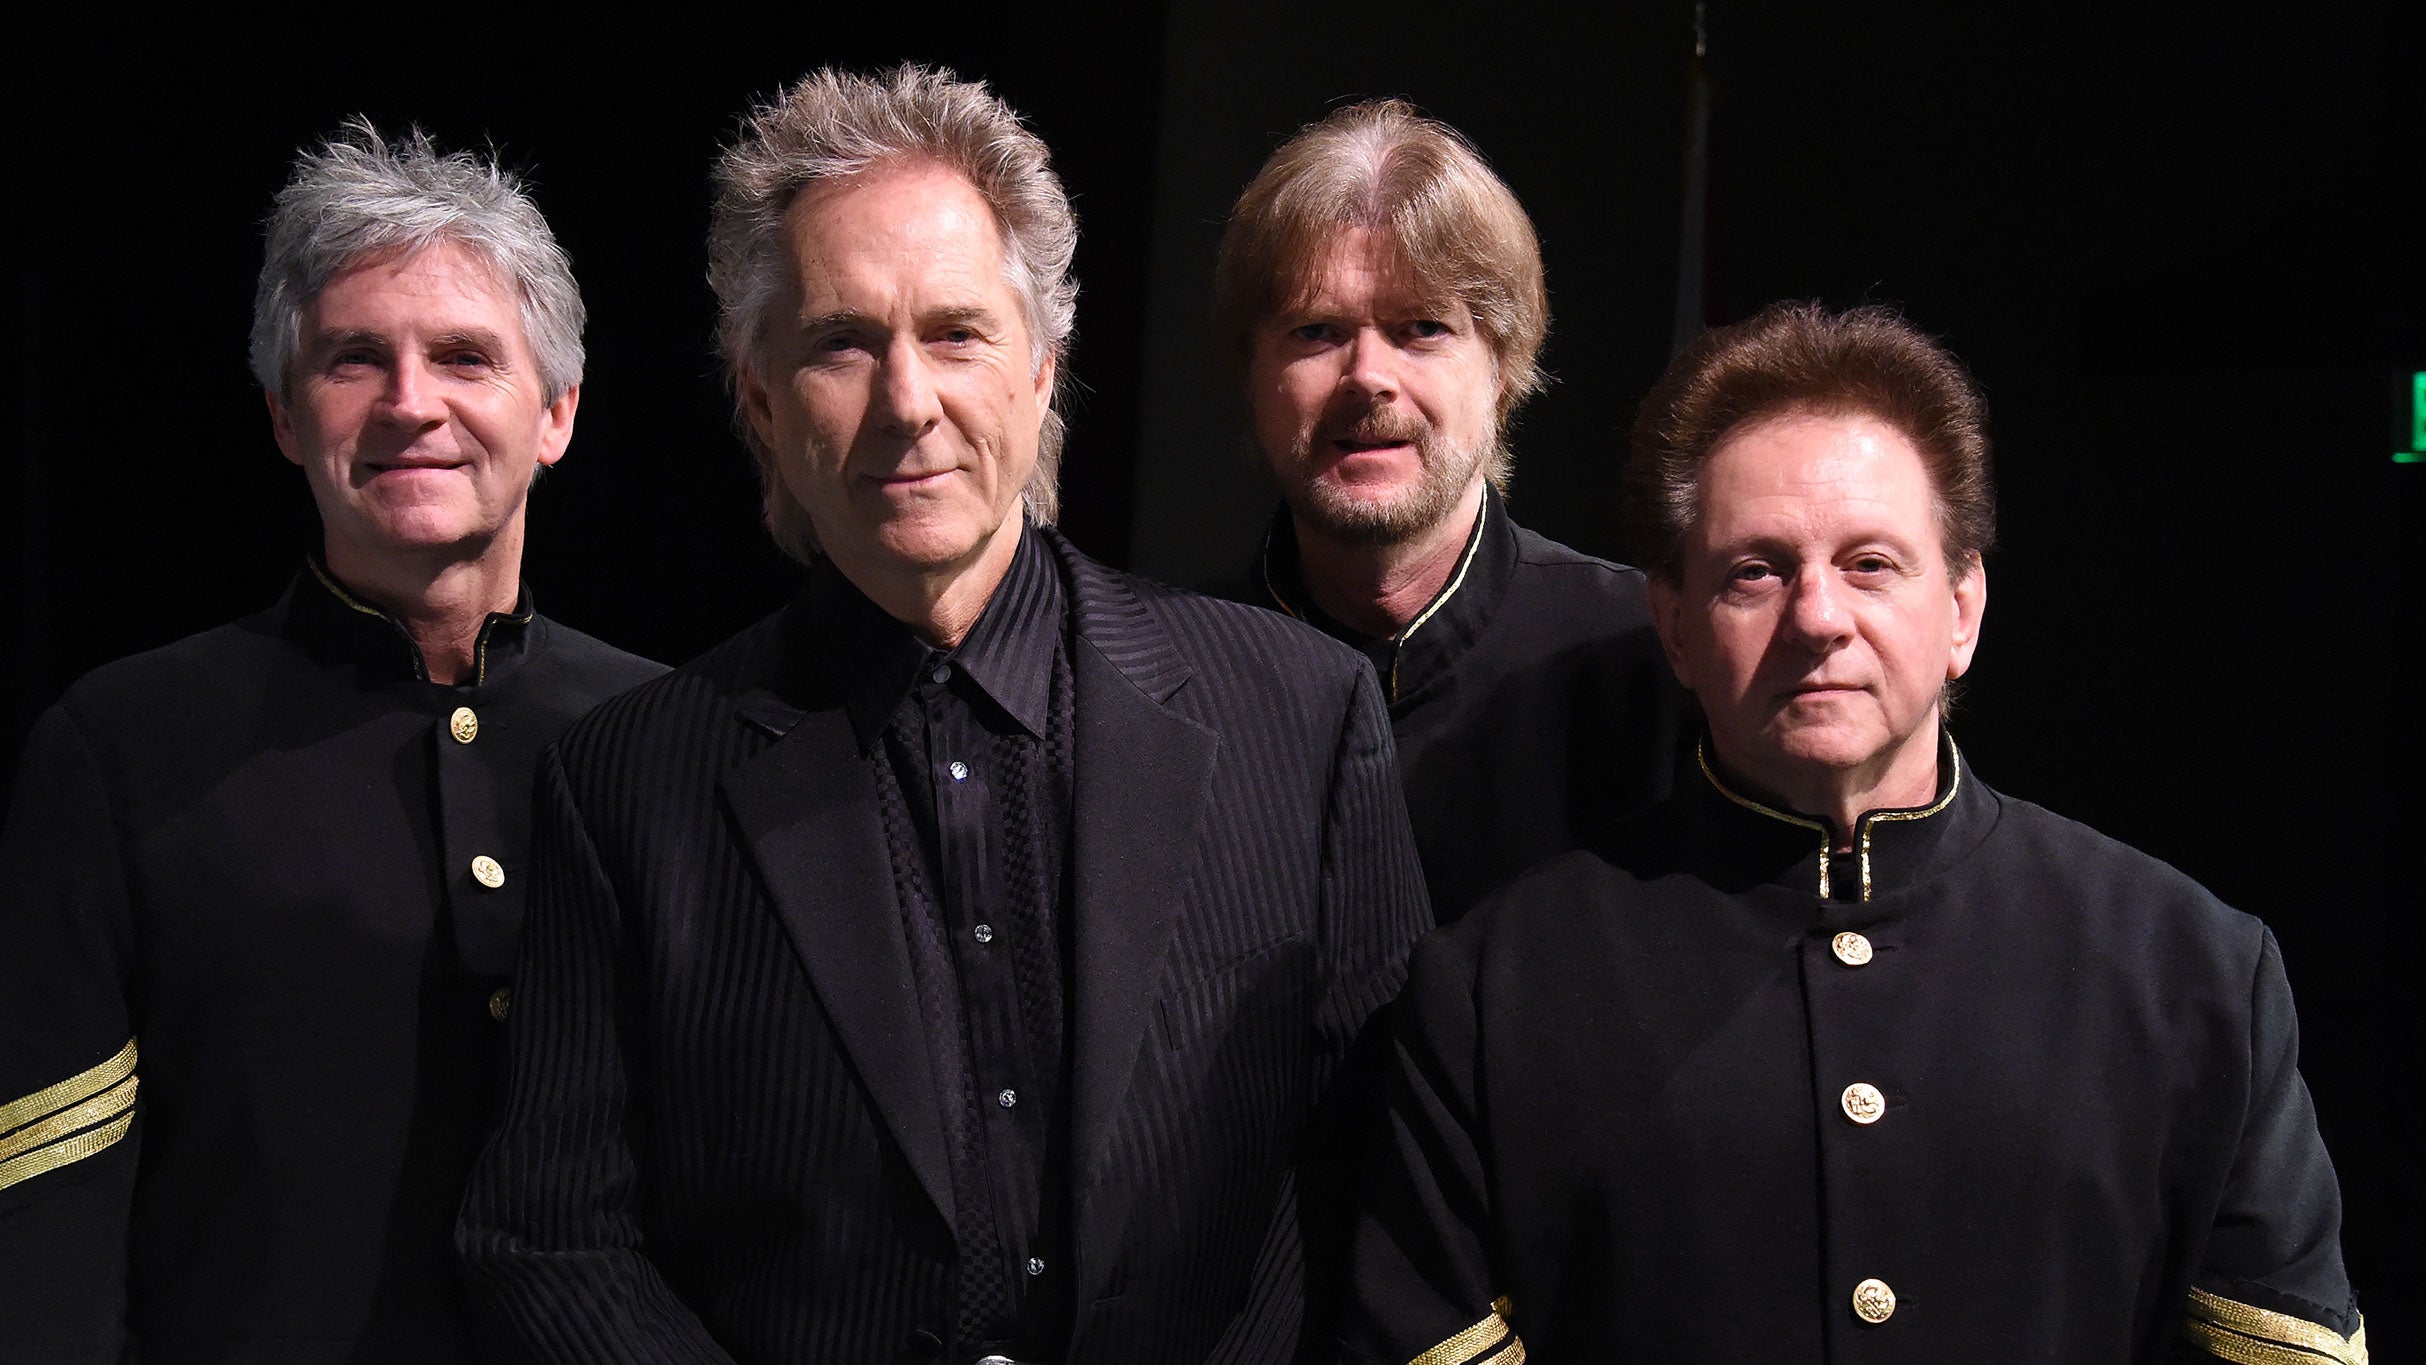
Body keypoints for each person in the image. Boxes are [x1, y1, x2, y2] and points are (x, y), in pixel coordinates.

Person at [458, 65, 1431, 1365]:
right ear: (760, 401)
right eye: (842, 343)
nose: (907, 401)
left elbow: (1392, 1187)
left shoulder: (1299, 719)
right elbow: (550, 1238)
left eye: (956, 333)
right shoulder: (628, 786)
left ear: (1040, 368)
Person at [1342, 302, 2366, 1362]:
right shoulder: (1495, 988)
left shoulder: (2190, 968)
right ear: (1676, 627)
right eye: (1756, 570)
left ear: (1962, 607)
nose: (1818, 616)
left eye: (1870, 563)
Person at [0, 123, 663, 1362]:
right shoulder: (123, 748)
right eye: (355, 359)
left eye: (464, 356)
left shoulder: (668, 738)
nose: (411, 403)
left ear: (557, 413)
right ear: (284, 417)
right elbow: (45, 1219)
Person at [1211, 99, 1682, 921]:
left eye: (1421, 328)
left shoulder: (1651, 660)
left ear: (1503, 368)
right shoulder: (1157, 681)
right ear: (1251, 375)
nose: (1369, 376)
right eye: (1317, 331)